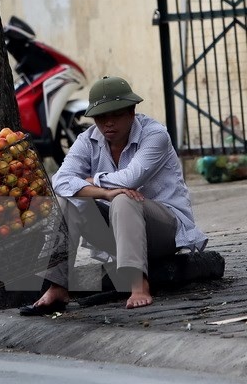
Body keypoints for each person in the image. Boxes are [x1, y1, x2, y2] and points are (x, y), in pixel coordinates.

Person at [20, 76, 208, 314]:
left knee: (124, 197)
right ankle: (58, 285)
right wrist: (103, 193)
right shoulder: (87, 140)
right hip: (117, 231)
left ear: (132, 111)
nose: (108, 123)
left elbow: (131, 179)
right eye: (101, 117)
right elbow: (59, 181)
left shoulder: (155, 135)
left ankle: (138, 283)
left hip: (164, 230)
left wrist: (90, 181)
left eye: (116, 115)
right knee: (66, 201)